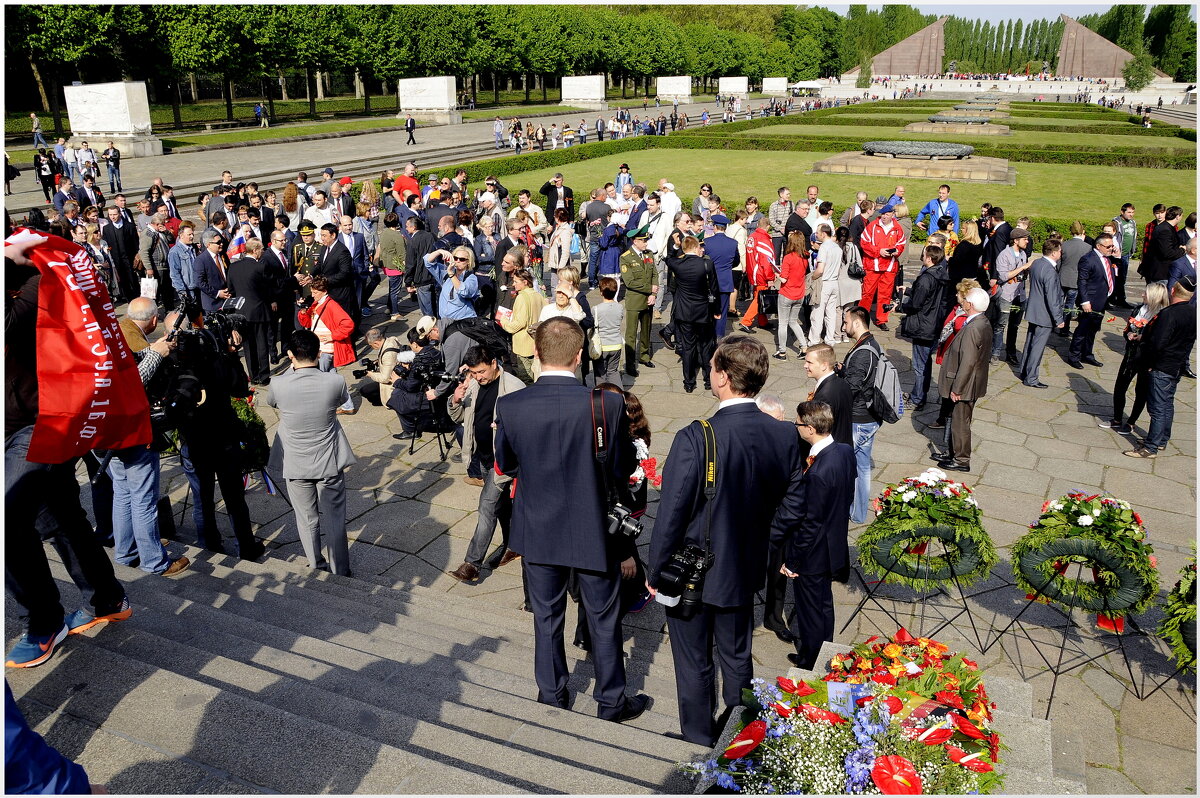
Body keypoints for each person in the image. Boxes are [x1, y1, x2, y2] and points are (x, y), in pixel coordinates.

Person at [647, 335, 805, 746]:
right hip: (744, 567)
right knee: (736, 658)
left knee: (694, 662)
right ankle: (737, 740)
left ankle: (698, 739)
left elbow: (671, 513)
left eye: (713, 366)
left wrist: (657, 568)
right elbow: (794, 500)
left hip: (693, 573)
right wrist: (763, 540)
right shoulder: (785, 435)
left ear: (722, 377)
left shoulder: (695, 436)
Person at [493, 317, 650, 723]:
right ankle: (611, 701)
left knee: (546, 618)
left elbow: (506, 464)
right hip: (593, 529)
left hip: (539, 528)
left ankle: (552, 693)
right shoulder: (607, 403)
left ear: (537, 353)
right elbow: (619, 469)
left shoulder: (510, 405)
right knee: (604, 618)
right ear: (579, 355)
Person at [266, 330, 357, 575]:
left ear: (290, 356)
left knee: (306, 519)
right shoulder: (335, 381)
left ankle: (316, 565)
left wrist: (292, 368)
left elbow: (272, 402)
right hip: (329, 459)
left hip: (295, 462)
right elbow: (341, 400)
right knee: (335, 519)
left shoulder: (279, 383)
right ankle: (340, 569)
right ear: (319, 353)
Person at [778, 400, 856, 669]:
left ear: (810, 428)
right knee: (823, 606)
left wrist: (794, 561)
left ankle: (811, 661)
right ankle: (826, 653)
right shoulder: (844, 451)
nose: (796, 428)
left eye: (798, 424)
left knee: (810, 609)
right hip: (833, 544)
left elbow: (811, 522)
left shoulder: (819, 472)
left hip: (813, 554)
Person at [446, 345, 527, 582]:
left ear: (494, 363)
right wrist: (455, 400)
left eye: (481, 371)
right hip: (482, 456)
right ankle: (515, 544)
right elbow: (460, 419)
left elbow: (523, 431)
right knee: (501, 506)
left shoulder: (513, 388)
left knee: (487, 508)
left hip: (501, 463)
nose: (478, 377)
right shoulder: (472, 383)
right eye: (473, 372)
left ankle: (471, 564)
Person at [1124, 276, 1196, 459]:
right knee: (1167, 404)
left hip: (1161, 366)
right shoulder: (1193, 313)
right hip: (1176, 365)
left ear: (1172, 291)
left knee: (1157, 408)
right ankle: (1162, 440)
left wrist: (1149, 364)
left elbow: (1158, 344)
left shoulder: (1168, 314)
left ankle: (1150, 447)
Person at [935, 287, 993, 472]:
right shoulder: (982, 322)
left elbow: (968, 361)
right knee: (958, 420)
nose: (963, 302)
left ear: (971, 304)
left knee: (960, 423)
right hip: (972, 382)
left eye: (966, 299)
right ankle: (953, 452)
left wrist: (957, 388)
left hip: (966, 385)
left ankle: (961, 460)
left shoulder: (973, 328)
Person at [1099, 281, 1169, 434]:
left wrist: (1141, 338)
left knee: (1141, 391)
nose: (1143, 294)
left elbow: (1158, 339)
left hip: (1146, 358)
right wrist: (1129, 334)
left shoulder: (1161, 315)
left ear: (1155, 297)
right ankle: (1117, 418)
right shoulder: (1138, 309)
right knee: (1120, 387)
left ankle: (1131, 422)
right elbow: (1126, 329)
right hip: (1131, 355)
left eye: (1146, 293)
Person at [840, 305, 883, 523]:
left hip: (859, 418)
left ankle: (855, 512)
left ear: (857, 322)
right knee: (862, 465)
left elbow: (851, 388)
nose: (843, 326)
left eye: (845, 322)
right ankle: (857, 512)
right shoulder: (870, 343)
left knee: (856, 467)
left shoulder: (862, 353)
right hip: (868, 416)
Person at [899, 244, 952, 410]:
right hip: (934, 323)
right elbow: (930, 297)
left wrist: (901, 307)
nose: (922, 256)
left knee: (919, 365)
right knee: (925, 363)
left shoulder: (926, 277)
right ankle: (919, 393)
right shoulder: (941, 274)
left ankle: (917, 399)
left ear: (929, 258)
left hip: (924, 326)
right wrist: (908, 290)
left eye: (923, 254)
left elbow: (917, 303)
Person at [668, 236, 721, 393]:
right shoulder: (707, 264)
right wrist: (717, 310)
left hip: (684, 312)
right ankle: (707, 379)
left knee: (688, 347)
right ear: (696, 247)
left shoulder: (677, 264)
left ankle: (689, 382)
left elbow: (669, 259)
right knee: (706, 346)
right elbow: (714, 288)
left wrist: (677, 247)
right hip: (703, 311)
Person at [1018, 239, 1066, 388]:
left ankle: (1024, 371)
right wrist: (1058, 318)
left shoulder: (1037, 263)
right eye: (1059, 251)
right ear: (1053, 252)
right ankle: (1031, 378)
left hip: (1034, 311)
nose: (1061, 253)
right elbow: (1052, 298)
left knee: (1030, 344)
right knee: (1037, 348)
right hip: (1044, 315)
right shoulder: (1050, 271)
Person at [227, 238, 275, 385]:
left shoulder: (233, 267)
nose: (262, 252)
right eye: (261, 249)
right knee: (261, 344)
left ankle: (253, 376)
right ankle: (264, 375)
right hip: (259, 311)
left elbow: (231, 289)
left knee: (248, 346)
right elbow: (268, 289)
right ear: (255, 250)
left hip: (242, 312)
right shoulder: (260, 267)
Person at [1067, 233, 1119, 370]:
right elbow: (1082, 281)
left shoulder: (1107, 258)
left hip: (1102, 300)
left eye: (1112, 245)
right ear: (1098, 246)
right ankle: (1074, 355)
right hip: (1090, 301)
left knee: (1093, 329)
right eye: (1108, 246)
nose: (1111, 248)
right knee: (1082, 330)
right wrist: (1085, 301)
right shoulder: (1088, 259)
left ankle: (1087, 354)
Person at [858, 206, 906, 330]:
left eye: (887, 214)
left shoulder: (897, 228)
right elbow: (864, 243)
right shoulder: (872, 226)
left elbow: (901, 244)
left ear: (892, 215)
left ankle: (882, 319)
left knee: (885, 295)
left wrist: (896, 251)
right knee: (867, 293)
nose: (884, 216)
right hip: (873, 265)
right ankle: (862, 318)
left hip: (889, 266)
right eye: (883, 214)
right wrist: (879, 251)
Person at [619, 226, 659, 376]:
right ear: (635, 241)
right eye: (643, 240)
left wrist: (653, 293)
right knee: (631, 333)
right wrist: (651, 290)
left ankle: (644, 356)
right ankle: (630, 364)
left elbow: (654, 273)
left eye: (646, 240)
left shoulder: (648, 254)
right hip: (635, 301)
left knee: (646, 330)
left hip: (649, 299)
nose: (646, 243)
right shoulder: (625, 257)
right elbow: (630, 282)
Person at [499, 268, 546, 384]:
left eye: (516, 281)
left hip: (523, 345)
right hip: (535, 342)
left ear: (525, 282)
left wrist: (503, 321)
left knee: (526, 378)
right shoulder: (537, 295)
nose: (513, 284)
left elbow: (519, 323)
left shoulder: (522, 297)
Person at [992, 227, 1030, 365]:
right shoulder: (1004, 255)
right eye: (1024, 239)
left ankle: (1011, 353)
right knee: (1000, 325)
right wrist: (1023, 268)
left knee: (1014, 326)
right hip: (1007, 295)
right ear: (1016, 240)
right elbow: (1003, 276)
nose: (1027, 241)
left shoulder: (1023, 254)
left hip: (1019, 295)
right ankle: (995, 353)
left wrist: (1026, 271)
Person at [807, 224, 844, 349]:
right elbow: (838, 269)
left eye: (818, 233)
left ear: (823, 233)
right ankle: (830, 338)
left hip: (825, 282)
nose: (816, 235)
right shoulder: (838, 248)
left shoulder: (824, 248)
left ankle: (814, 340)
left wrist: (812, 277)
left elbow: (820, 269)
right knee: (831, 313)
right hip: (835, 282)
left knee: (817, 313)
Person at [775, 231, 809, 359]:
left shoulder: (788, 258)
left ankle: (782, 351)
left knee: (782, 324)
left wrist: (776, 273)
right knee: (794, 322)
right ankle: (804, 347)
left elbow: (784, 279)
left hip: (786, 293)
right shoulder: (805, 256)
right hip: (799, 294)